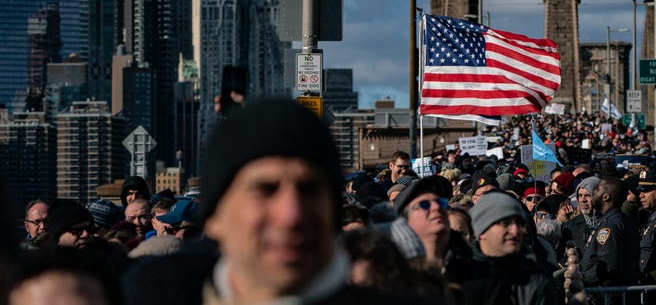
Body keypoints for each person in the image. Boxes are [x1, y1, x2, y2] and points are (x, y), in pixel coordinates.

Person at [124, 98, 435, 304]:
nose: (291, 214)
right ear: (215, 217)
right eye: (265, 190)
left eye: (310, 189)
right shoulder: (143, 294)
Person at [461, 191, 557, 304]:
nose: (515, 231)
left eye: (520, 223)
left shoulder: (535, 278)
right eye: (505, 223)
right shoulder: (459, 275)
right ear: (482, 230)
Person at [580, 176, 640, 286]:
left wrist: (582, 279)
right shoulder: (614, 220)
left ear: (606, 197)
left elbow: (607, 265)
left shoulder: (611, 224)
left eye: (597, 190)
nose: (593, 193)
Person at [562, 176, 600, 261]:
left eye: (587, 195)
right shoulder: (570, 226)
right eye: (580, 195)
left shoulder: (609, 222)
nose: (583, 200)